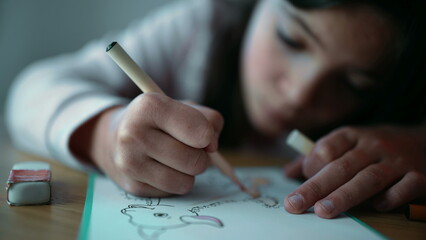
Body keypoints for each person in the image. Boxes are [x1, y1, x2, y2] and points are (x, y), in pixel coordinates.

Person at [5, 0, 426, 219]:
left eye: (353, 84)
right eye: (291, 40)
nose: (299, 94)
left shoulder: (397, 113)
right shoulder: (200, 32)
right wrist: (104, 134)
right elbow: (28, 91)